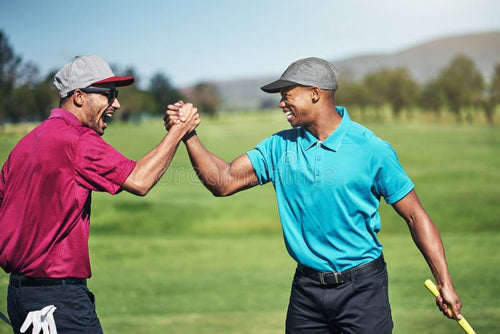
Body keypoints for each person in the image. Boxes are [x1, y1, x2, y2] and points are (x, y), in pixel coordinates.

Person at [165, 57, 462, 334]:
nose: (281, 104)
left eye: (287, 95)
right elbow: (223, 181)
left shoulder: (372, 149)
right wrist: (187, 134)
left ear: (316, 94)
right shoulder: (279, 146)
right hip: (307, 293)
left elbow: (415, 215)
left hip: (363, 291)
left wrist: (444, 281)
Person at [0, 55, 199, 334]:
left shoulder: (25, 144)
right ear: (79, 97)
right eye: (109, 94)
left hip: (21, 295)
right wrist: (179, 130)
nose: (116, 104)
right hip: (56, 299)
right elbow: (140, 181)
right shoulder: (76, 139)